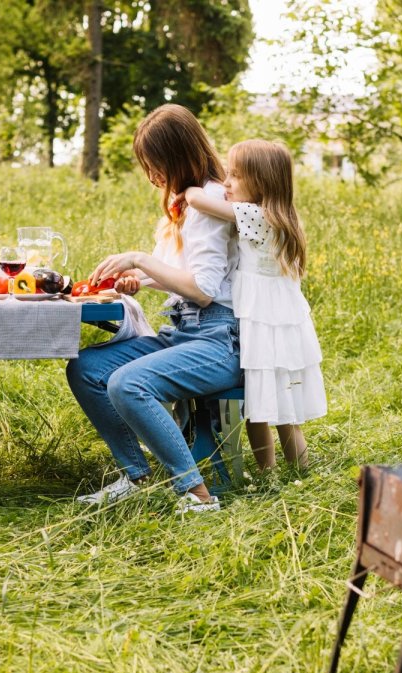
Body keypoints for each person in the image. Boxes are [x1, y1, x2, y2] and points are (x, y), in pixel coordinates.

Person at [66, 104, 241, 514]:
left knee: (128, 383)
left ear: (178, 155)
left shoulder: (208, 201)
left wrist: (141, 261)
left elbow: (203, 290)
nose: (151, 175)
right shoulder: (184, 203)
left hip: (220, 340)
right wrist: (141, 281)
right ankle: (136, 476)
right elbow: (184, 279)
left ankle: (196, 494)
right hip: (185, 331)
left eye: (155, 163)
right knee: (86, 369)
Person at [180, 139, 326, 470]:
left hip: (262, 325)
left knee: (260, 408)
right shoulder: (283, 217)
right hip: (283, 323)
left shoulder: (255, 214)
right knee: (282, 410)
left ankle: (271, 473)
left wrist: (188, 190)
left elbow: (200, 201)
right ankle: (295, 474)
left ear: (261, 182)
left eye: (235, 176)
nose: (226, 184)